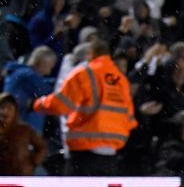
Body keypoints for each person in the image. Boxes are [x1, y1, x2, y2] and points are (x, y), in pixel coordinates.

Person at [32, 39, 137, 176]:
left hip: (84, 152)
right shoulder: (121, 80)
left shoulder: (85, 73)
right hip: (111, 155)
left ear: (90, 53)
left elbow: (61, 105)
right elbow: (129, 120)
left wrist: (39, 104)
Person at [3, 46, 57, 134]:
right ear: (42, 63)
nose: (49, 72)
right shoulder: (27, 75)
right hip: (21, 128)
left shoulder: (20, 72)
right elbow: (48, 92)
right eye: (50, 67)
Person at [0, 93, 46, 175]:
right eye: (3, 108)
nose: (6, 111)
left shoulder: (25, 130)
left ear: (15, 111)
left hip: (21, 175)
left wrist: (33, 163)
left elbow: (41, 147)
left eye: (9, 108)